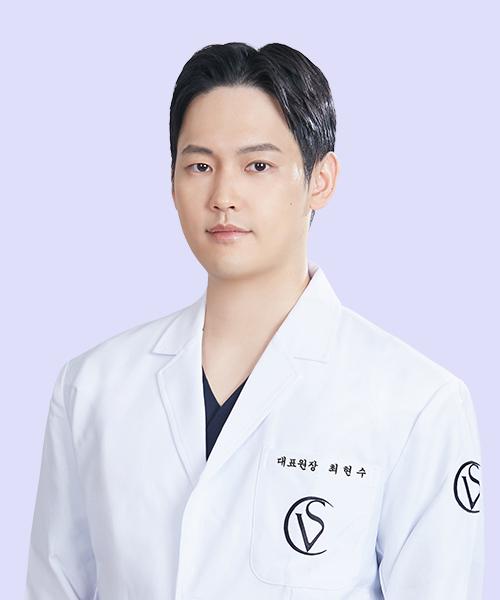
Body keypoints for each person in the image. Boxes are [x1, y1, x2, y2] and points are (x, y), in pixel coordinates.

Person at [25, 42, 483, 600]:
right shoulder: (92, 386)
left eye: (257, 166)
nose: (223, 196)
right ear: (172, 182)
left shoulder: (418, 402)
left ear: (321, 179)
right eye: (199, 166)